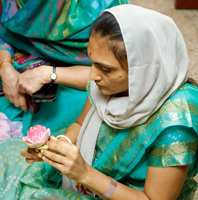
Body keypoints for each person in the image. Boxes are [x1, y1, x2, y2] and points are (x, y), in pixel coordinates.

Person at [0, 4, 198, 200]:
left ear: (143, 70)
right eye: (92, 62)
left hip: (117, 190)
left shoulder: (176, 124)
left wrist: (85, 174)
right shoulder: (109, 86)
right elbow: (80, 124)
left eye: (105, 69)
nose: (92, 76)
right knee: (6, 155)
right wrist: (58, 148)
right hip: (89, 174)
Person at [0, 0, 129, 138]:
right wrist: (5, 68)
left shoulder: (106, 8)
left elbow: (115, 74)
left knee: (94, 104)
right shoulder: (16, 2)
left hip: (76, 84)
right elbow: (4, 30)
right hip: (14, 74)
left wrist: (50, 74)